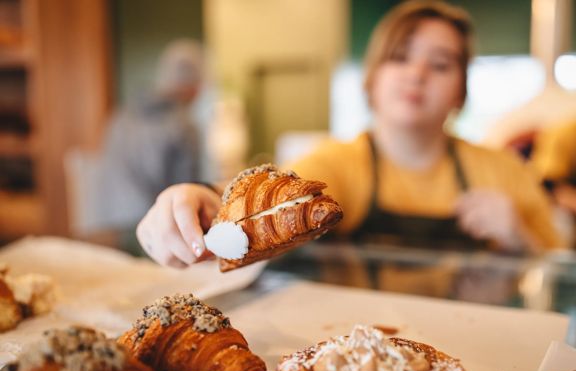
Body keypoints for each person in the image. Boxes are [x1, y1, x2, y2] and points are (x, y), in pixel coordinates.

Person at [136, 1, 563, 269]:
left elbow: (560, 271)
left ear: (461, 91)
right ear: (373, 78)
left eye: (440, 63)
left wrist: (518, 237)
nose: (416, 73)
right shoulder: (340, 164)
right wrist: (205, 200)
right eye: (400, 58)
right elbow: (281, 196)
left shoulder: (503, 171)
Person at [90, 39, 211, 250]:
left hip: (106, 229)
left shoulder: (121, 114)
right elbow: (186, 194)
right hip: (156, 233)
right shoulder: (183, 126)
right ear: (195, 89)